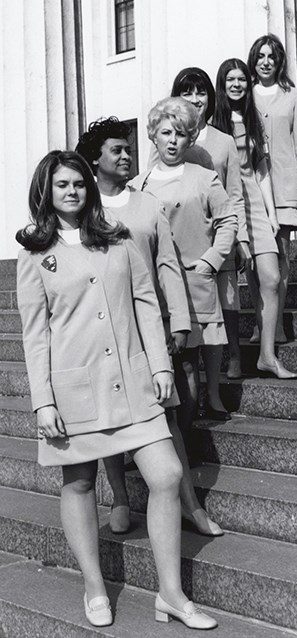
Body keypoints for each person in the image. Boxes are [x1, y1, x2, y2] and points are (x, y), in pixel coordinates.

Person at [16, 150, 217, 630]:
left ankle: (170, 593)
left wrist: (160, 364)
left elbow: (146, 301)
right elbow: (35, 335)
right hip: (73, 390)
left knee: (167, 475)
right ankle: (94, 586)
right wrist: (43, 400)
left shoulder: (118, 237)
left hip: (134, 382)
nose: (72, 192)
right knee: (80, 482)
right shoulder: (34, 256)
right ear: (46, 192)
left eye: (79, 184)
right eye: (62, 185)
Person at [76, 117, 223, 537]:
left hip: (149, 327)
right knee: (109, 416)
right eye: (116, 150)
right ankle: (121, 498)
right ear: (94, 160)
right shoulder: (84, 210)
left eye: (128, 148)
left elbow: (167, 267)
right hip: (102, 330)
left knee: (168, 415)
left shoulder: (147, 203)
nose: (127, 156)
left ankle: (190, 506)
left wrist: (178, 320)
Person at [131, 96, 237, 464]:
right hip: (152, 292)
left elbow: (228, 220)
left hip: (194, 286)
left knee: (188, 365)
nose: (173, 141)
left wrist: (211, 261)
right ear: (153, 137)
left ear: (190, 138)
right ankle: (153, 442)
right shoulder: (137, 184)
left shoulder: (204, 177)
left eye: (180, 133)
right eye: (165, 133)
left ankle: (185, 442)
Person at [149, 67, 252, 383]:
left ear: (211, 95)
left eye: (201, 91)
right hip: (181, 240)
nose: (195, 98)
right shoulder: (166, 136)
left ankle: (221, 380)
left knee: (225, 308)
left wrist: (242, 239)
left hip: (216, 234)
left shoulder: (222, 140)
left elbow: (234, 193)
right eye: (187, 92)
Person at [213, 59, 297, 379]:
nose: (237, 84)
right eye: (230, 79)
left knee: (272, 278)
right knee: (238, 283)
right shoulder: (213, 124)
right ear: (222, 84)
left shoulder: (253, 120)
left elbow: (261, 170)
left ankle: (267, 356)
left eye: (242, 80)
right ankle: (235, 357)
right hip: (228, 209)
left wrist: (272, 213)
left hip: (257, 209)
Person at [247, 33, 297, 343]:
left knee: (282, 253)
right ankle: (261, 320)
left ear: (279, 61)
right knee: (256, 256)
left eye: (271, 56)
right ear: (253, 59)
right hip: (253, 186)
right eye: (260, 56)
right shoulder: (246, 94)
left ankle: (276, 325)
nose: (265, 62)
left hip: (284, 184)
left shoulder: (292, 95)